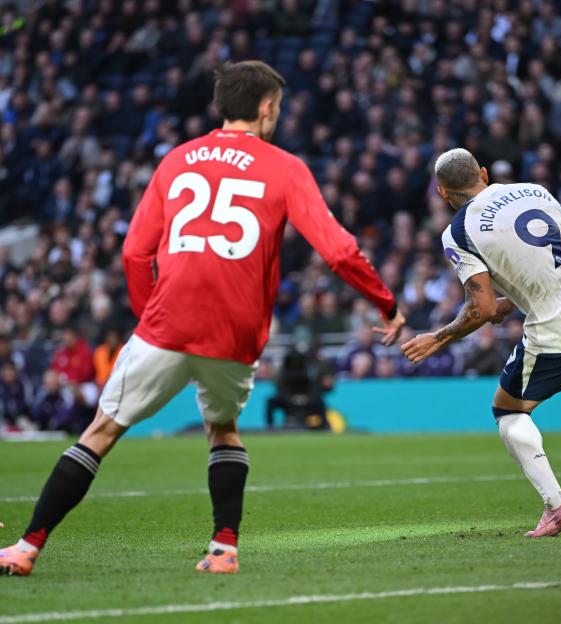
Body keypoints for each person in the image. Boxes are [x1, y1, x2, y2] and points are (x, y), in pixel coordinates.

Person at [0, 60, 405, 577]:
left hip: (167, 321)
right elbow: (340, 251)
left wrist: (152, 315)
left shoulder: (176, 160)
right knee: (224, 429)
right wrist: (386, 305)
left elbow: (133, 253)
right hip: (235, 330)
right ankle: (223, 550)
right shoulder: (284, 167)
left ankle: (26, 548)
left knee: (100, 432)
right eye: (276, 108)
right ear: (264, 107)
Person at [402, 148, 561, 537]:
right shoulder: (536, 191)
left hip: (557, 329)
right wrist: (517, 299)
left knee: (507, 411)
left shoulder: (458, 232)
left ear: (442, 193)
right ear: (484, 173)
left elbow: (482, 308)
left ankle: (558, 507)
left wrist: (439, 337)